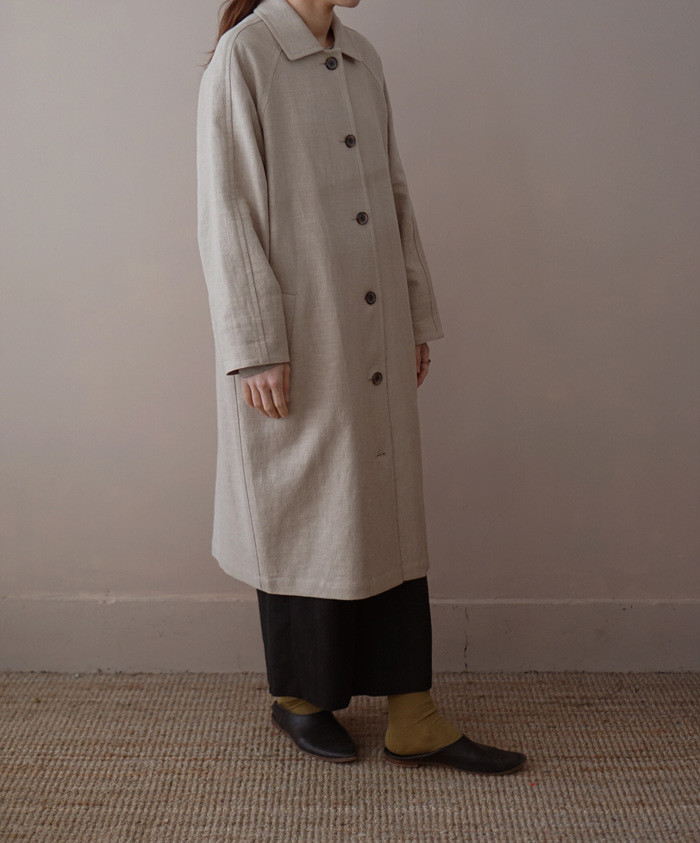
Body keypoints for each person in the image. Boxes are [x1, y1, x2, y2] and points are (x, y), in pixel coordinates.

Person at [197, 0, 527, 774]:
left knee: (384, 509)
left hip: (372, 325)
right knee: (310, 511)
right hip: (301, 334)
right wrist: (255, 345)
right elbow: (226, 210)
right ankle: (301, 699)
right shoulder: (245, 57)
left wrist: (413, 313)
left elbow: (394, 195)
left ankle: (414, 713)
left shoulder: (363, 57)